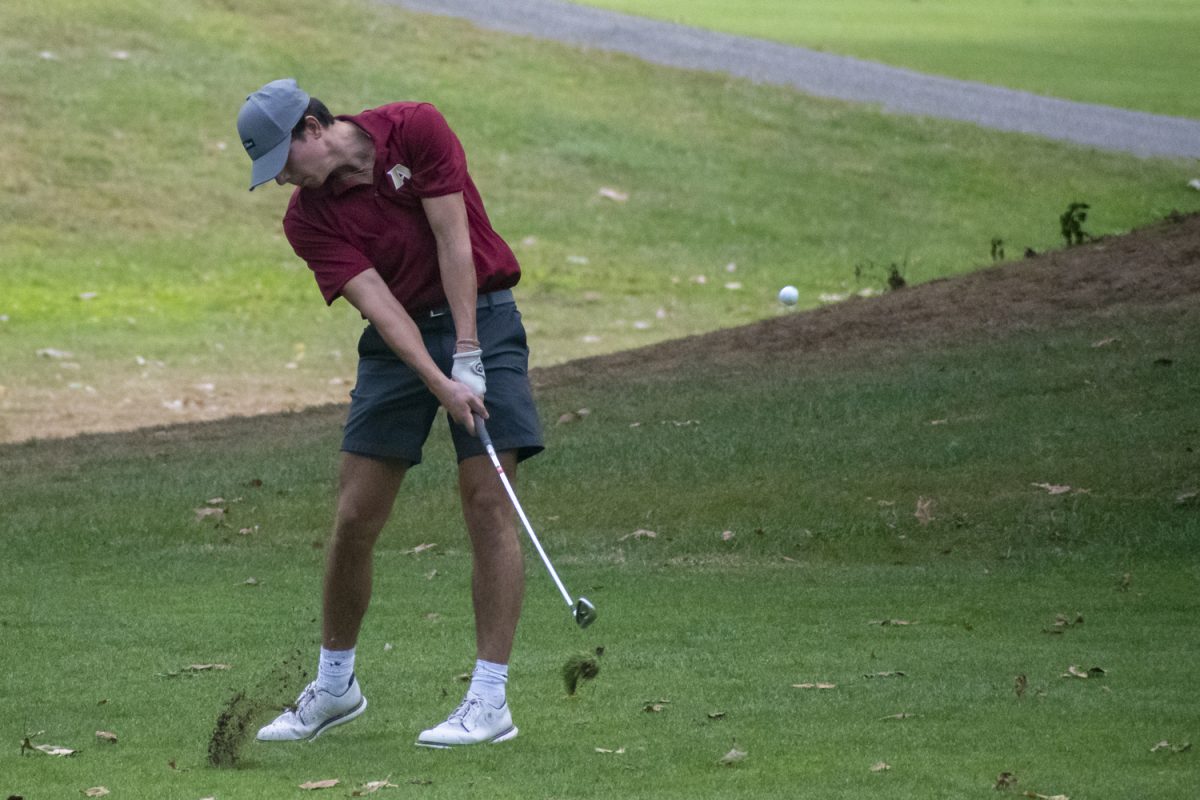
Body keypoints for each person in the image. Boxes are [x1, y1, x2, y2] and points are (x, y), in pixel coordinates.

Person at [236, 78, 543, 748]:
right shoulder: (307, 219)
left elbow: (452, 238)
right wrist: (439, 380)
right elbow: (377, 305)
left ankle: (489, 702)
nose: (285, 181)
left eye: (284, 162)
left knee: (487, 501)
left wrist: (468, 354)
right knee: (354, 514)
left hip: (482, 316)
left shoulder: (414, 128)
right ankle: (335, 686)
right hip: (398, 343)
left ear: (312, 127)